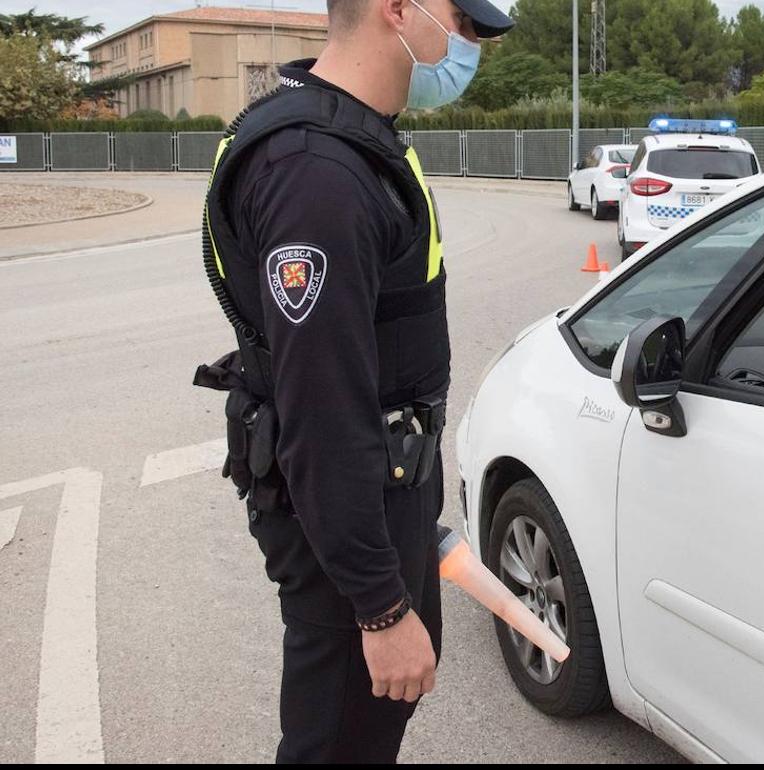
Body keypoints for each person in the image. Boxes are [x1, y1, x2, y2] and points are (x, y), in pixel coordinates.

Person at [192, 0, 513, 762]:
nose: (472, 46)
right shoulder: (317, 173)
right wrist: (378, 606)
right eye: (463, 26)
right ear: (397, 8)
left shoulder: (342, 140)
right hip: (346, 529)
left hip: (375, 498)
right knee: (339, 742)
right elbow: (323, 410)